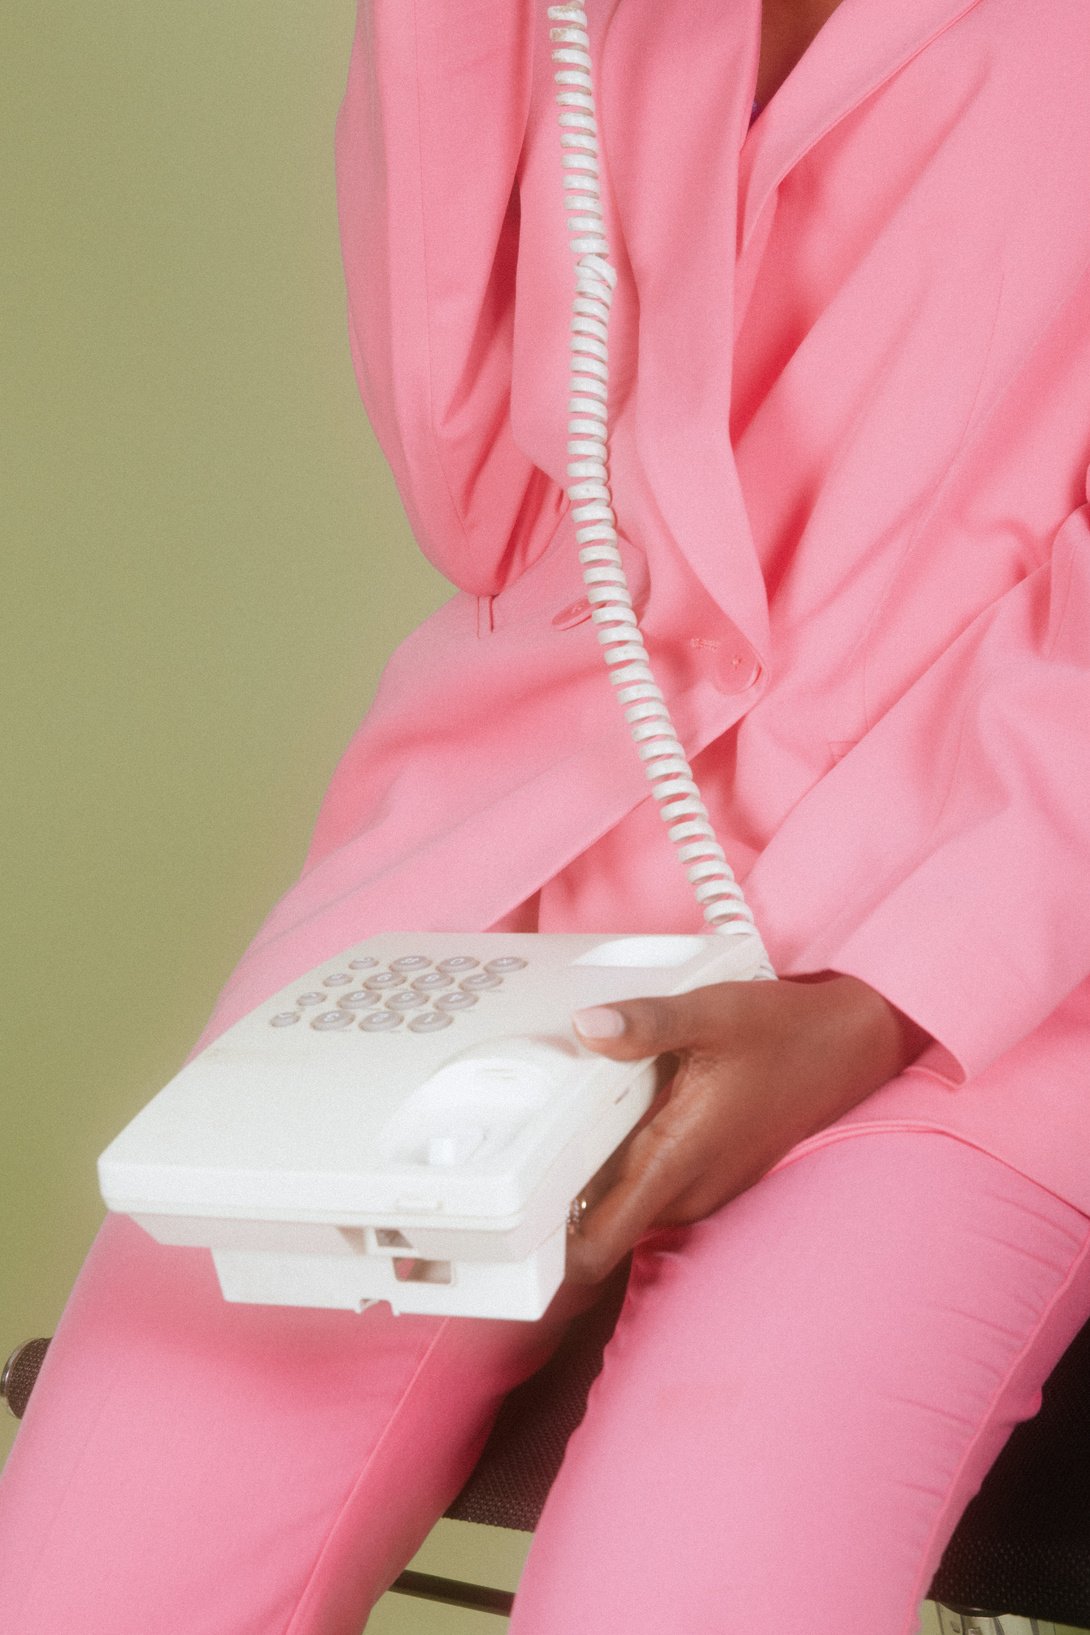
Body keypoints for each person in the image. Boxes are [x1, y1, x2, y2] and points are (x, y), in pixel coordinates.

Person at [4, 0, 1090, 1630]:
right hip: (513, 863)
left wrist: (878, 1003)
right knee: (98, 1575)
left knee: (682, 1586)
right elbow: (488, 494)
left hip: (983, 926)